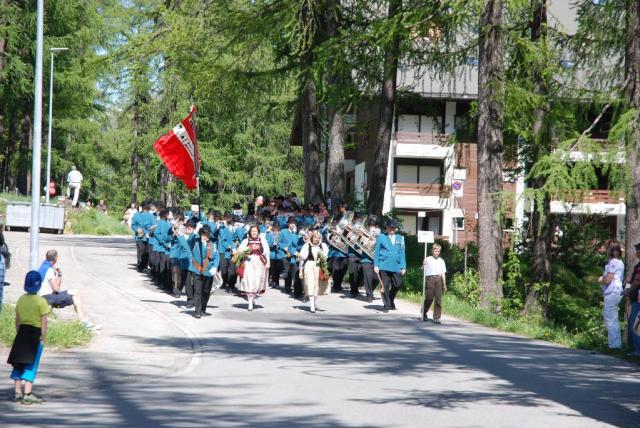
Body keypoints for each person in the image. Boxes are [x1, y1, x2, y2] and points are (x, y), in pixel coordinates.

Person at [7, 271, 50, 404]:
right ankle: (28, 393)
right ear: (39, 285)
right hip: (35, 334)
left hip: (22, 332)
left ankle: (17, 392)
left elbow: (17, 319)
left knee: (18, 362)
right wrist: (43, 337)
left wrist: (19, 332)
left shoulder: (21, 299)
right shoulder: (41, 301)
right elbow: (44, 322)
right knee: (32, 363)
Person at [38, 249, 100, 330]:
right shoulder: (49, 270)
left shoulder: (42, 266)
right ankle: (82, 322)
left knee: (74, 292)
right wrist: (59, 274)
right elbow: (56, 289)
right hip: (47, 297)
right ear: (56, 259)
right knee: (75, 295)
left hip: (42, 296)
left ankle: (82, 321)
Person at [373, 220, 406, 312]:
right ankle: (386, 305)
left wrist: (403, 266)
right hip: (384, 265)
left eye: (393, 227)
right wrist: (376, 265)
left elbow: (402, 253)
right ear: (386, 228)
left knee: (398, 284)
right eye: (390, 227)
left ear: (396, 228)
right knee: (385, 285)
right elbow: (376, 252)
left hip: (396, 265)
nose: (392, 229)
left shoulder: (401, 238)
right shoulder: (381, 237)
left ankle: (390, 299)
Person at [187, 225, 220, 319]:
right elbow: (189, 241)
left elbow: (216, 256)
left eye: (208, 235)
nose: (206, 236)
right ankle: (197, 311)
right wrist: (195, 230)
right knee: (198, 291)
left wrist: (215, 267)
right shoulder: (195, 242)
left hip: (208, 271)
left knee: (206, 291)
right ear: (201, 234)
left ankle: (203, 309)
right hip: (197, 270)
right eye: (204, 234)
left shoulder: (212, 244)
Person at [598, 241, 624, 349]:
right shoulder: (618, 262)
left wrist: (601, 279)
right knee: (612, 318)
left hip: (612, 292)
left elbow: (608, 279)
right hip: (616, 292)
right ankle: (614, 344)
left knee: (610, 317)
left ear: (611, 250)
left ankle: (614, 345)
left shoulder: (613, 262)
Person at [237, 225, 270, 311]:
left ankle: (254, 296)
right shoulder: (246, 240)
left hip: (259, 262)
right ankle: (250, 302)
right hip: (248, 262)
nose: (254, 233)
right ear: (250, 232)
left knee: (257, 281)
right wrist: (245, 250)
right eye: (252, 231)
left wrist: (268, 262)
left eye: (255, 231)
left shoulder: (262, 240)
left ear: (258, 232)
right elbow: (240, 250)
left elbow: (267, 251)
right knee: (249, 280)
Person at [299, 230, 330, 313]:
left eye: (318, 237)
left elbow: (325, 257)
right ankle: (312, 305)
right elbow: (302, 258)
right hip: (309, 266)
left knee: (318, 286)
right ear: (312, 237)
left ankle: (314, 302)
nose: (317, 239)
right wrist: (300, 271)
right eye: (315, 237)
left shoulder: (323, 246)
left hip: (319, 267)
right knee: (310, 284)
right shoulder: (307, 246)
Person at [422, 243, 447, 324]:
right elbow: (423, 270)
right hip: (430, 279)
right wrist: (423, 265)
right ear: (432, 251)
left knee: (438, 299)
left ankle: (436, 317)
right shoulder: (428, 259)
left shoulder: (441, 261)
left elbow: (443, 273)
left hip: (438, 279)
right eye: (436, 251)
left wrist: (444, 284)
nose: (437, 253)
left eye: (438, 251)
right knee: (429, 298)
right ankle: (424, 312)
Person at [281, 219, 303, 296]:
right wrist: (284, 247)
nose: (292, 224)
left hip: (294, 255)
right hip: (285, 254)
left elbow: (296, 244)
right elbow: (279, 242)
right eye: (291, 223)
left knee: (294, 272)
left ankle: (298, 289)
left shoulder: (297, 233)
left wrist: (294, 233)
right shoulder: (283, 231)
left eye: (294, 223)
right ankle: (287, 287)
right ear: (288, 224)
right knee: (287, 271)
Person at [626, 242, 640, 355]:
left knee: (635, 325)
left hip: (639, 300)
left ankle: (637, 350)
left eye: (638, 250)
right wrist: (626, 287)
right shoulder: (637, 265)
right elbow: (632, 280)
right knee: (632, 323)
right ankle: (634, 349)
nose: (636, 252)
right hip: (634, 299)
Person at [360, 217, 378, 303]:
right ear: (368, 226)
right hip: (366, 258)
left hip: (376, 259)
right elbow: (357, 245)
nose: (372, 227)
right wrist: (363, 240)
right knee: (368, 277)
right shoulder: (363, 234)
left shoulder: (379, 235)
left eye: (374, 226)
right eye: (371, 226)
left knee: (376, 278)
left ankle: (371, 291)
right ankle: (369, 295)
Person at [131, 202, 153, 272]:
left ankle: (145, 266)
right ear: (142, 207)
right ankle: (140, 266)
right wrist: (137, 229)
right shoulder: (136, 215)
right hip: (139, 236)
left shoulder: (150, 215)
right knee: (140, 251)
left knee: (147, 252)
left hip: (148, 236)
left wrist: (150, 232)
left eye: (147, 209)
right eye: (145, 209)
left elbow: (153, 225)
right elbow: (133, 225)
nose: (146, 210)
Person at [266, 222, 285, 287]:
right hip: (272, 254)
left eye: (277, 228)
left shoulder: (281, 234)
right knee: (273, 268)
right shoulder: (269, 234)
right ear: (273, 227)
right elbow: (267, 243)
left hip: (280, 254)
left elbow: (283, 242)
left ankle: (275, 280)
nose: (276, 229)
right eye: (275, 227)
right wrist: (272, 244)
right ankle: (274, 281)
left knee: (279, 268)